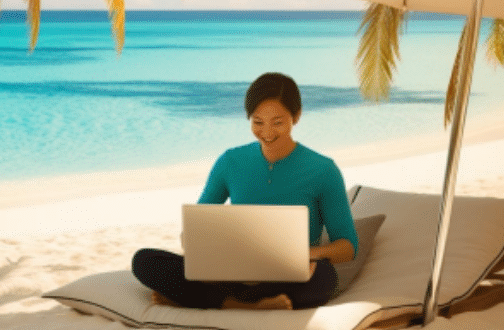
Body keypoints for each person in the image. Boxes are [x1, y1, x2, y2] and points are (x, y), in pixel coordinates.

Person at [131, 72, 358, 310]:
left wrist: (308, 255)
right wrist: (198, 248)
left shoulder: (323, 170)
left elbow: (348, 246)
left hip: (291, 275)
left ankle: (208, 300)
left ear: (297, 116)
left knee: (324, 277)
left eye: (277, 122)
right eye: (258, 122)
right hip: (234, 273)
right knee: (144, 261)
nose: (267, 132)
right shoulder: (231, 161)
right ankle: (243, 302)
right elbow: (196, 227)